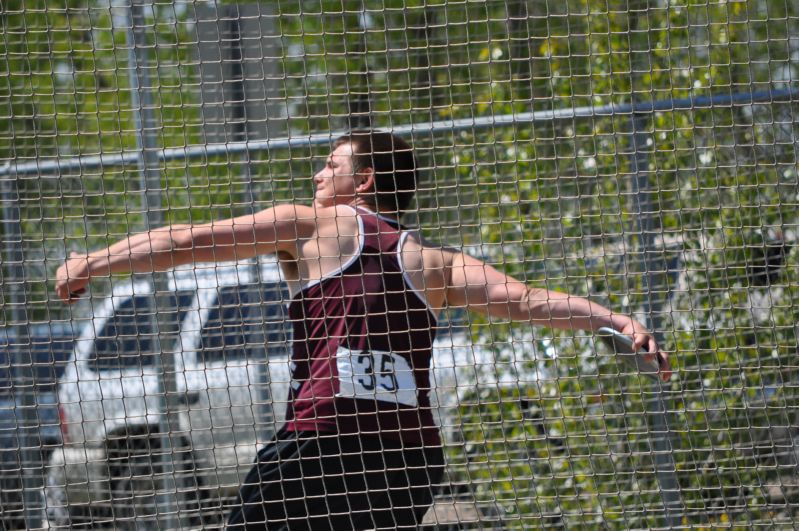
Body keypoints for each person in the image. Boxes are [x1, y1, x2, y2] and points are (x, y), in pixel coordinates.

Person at [55, 130, 671, 530]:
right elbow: (528, 300)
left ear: (365, 180)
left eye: (331, 164)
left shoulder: (312, 226)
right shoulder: (437, 263)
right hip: (409, 459)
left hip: (325, 442)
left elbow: (191, 243)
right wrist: (617, 320)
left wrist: (95, 261)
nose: (317, 176)